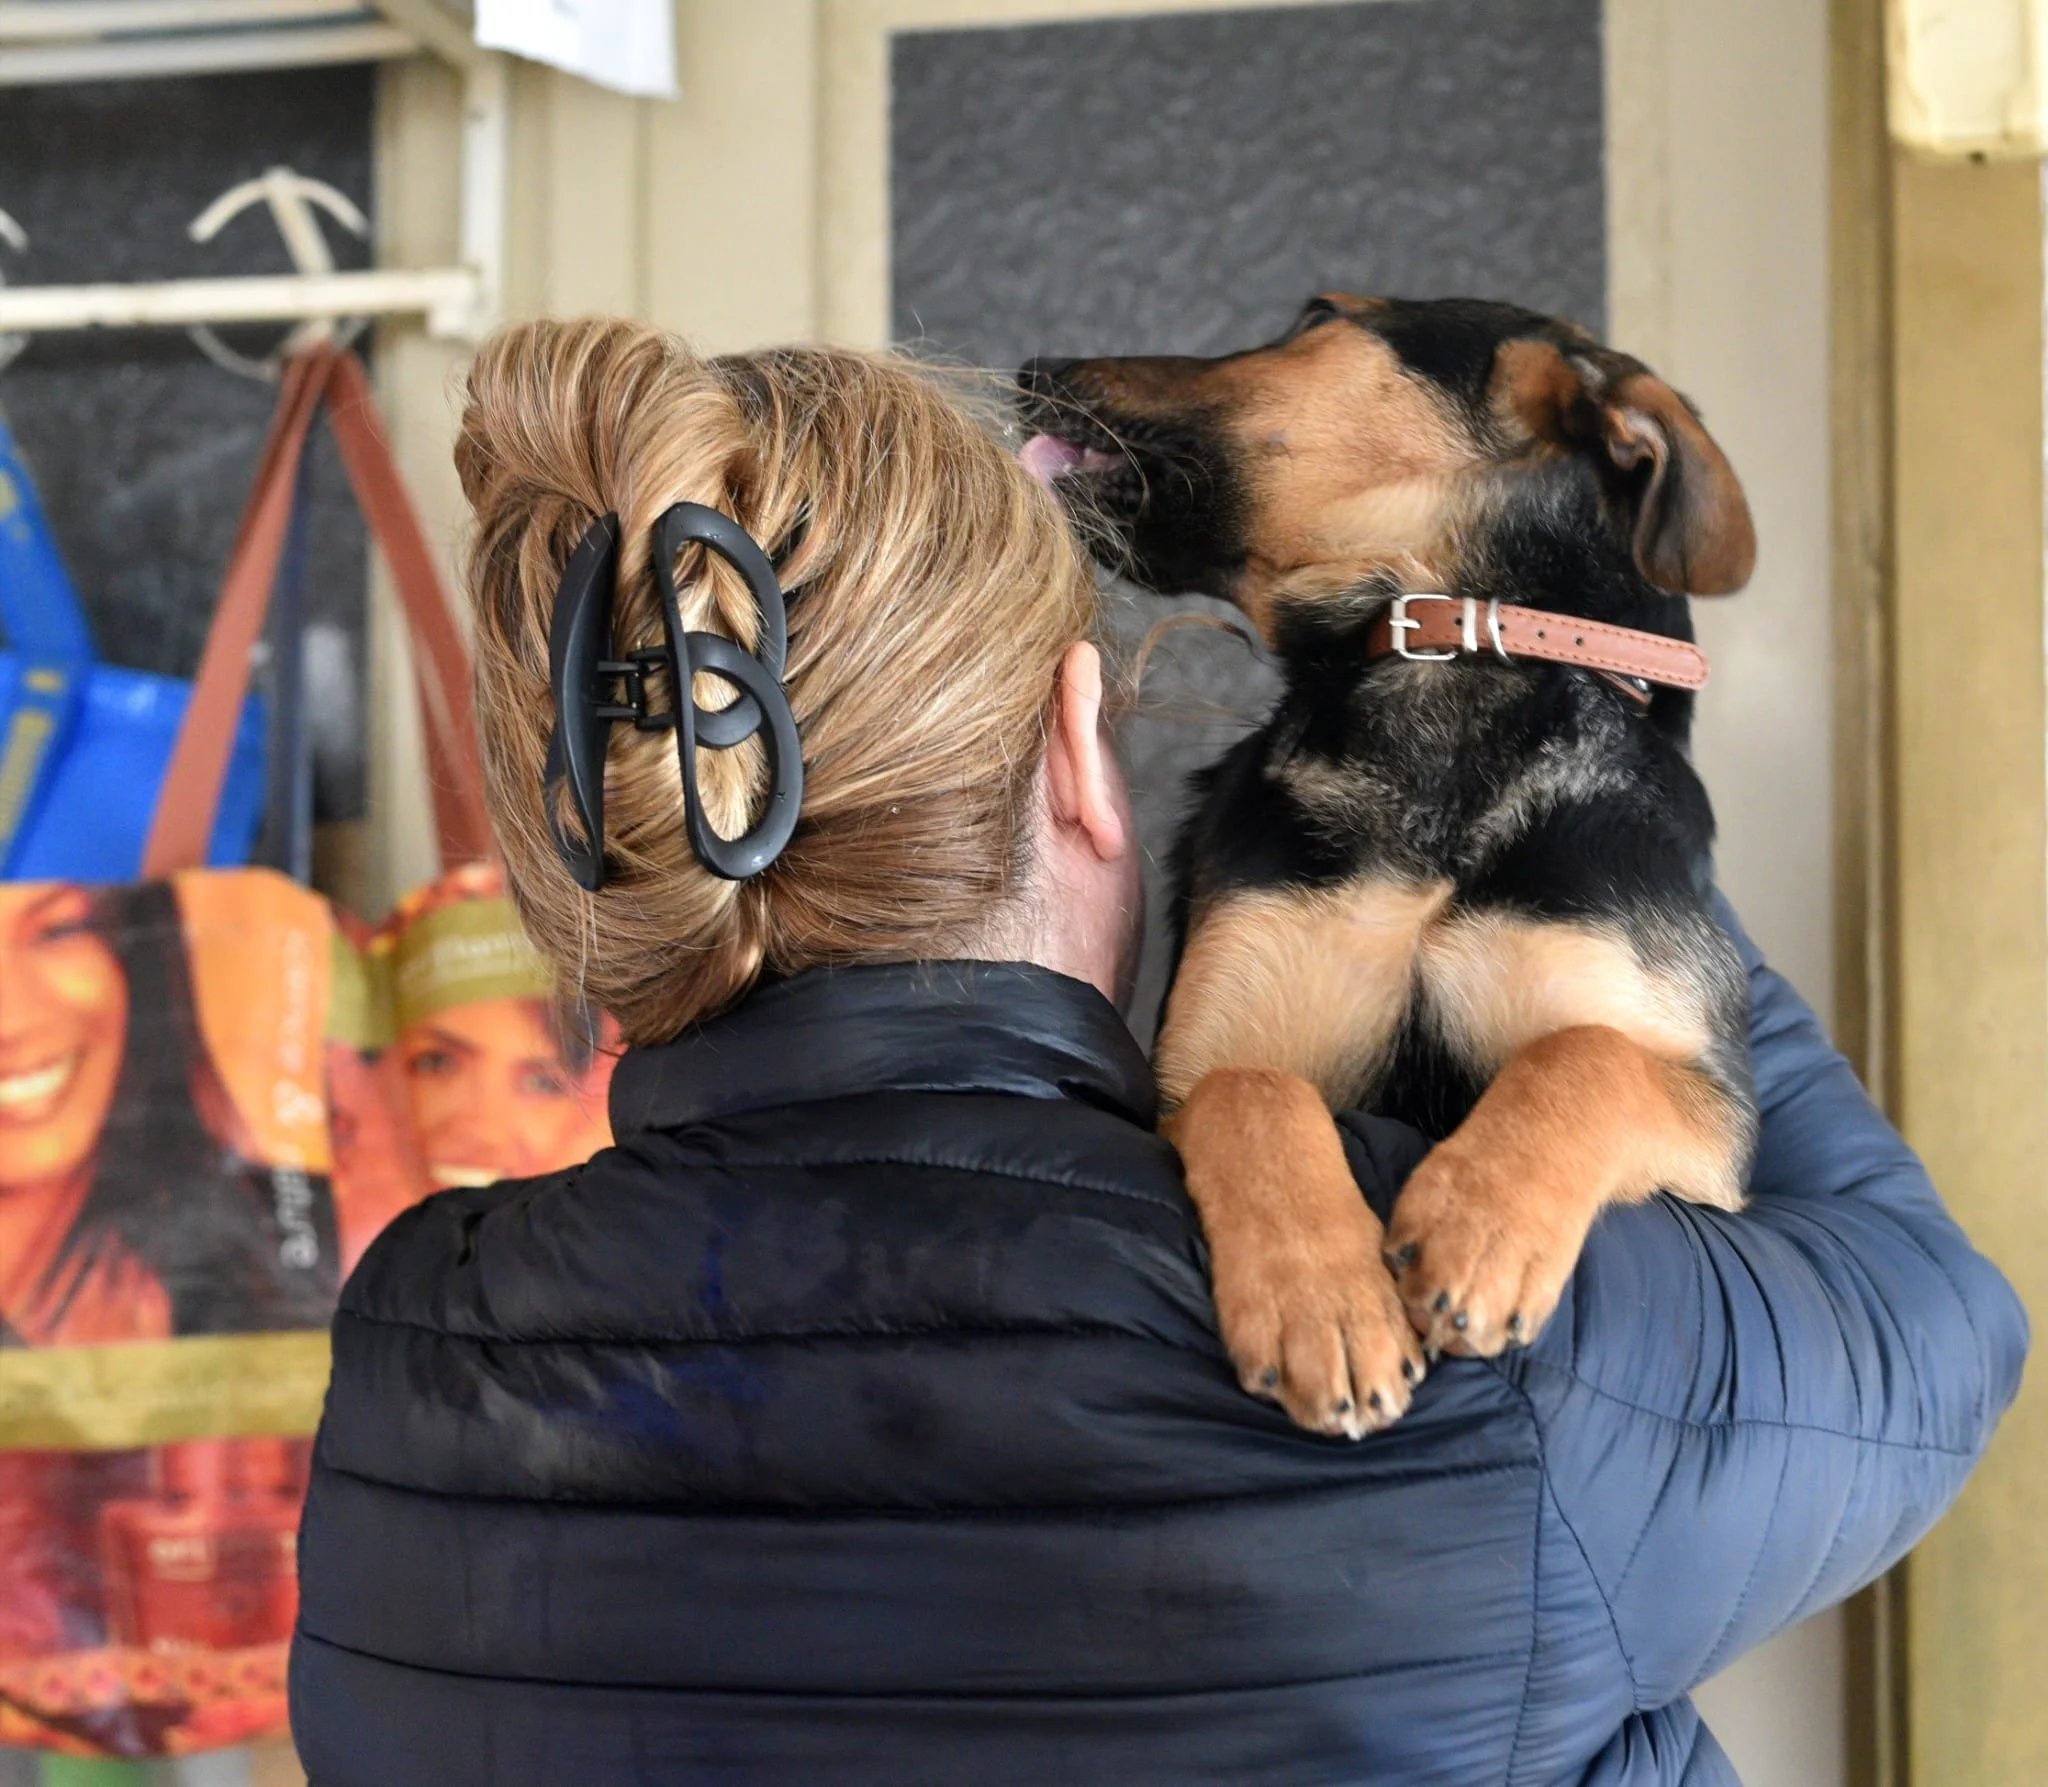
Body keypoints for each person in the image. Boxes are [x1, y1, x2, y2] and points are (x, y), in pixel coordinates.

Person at [288, 319, 2027, 1786]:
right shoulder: (1478, 1337)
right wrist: (1633, 847)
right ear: (1077, 759)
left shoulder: (405, 1356)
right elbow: (1940, 1332)